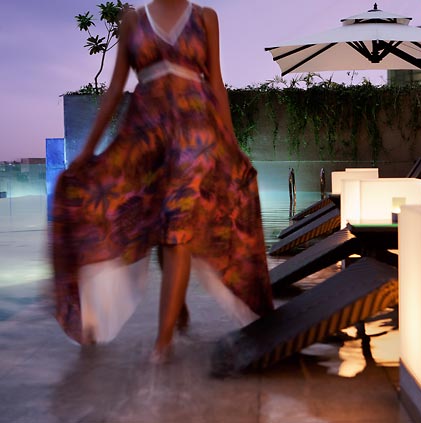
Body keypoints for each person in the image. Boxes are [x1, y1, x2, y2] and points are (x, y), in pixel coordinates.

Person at [51, 0, 274, 363]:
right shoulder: (132, 21)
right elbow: (116, 87)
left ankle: (163, 343)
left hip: (194, 135)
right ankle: (176, 303)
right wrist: (88, 150)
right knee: (156, 224)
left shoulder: (205, 18)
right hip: (145, 136)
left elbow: (215, 81)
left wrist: (232, 146)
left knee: (177, 229)